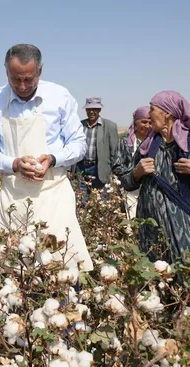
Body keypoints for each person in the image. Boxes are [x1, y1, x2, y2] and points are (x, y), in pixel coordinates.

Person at [0, 43, 93, 271]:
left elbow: (78, 144)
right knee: (17, 269)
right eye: (15, 79)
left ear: (40, 71)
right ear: (6, 72)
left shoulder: (59, 96)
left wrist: (52, 158)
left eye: (28, 79)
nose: (22, 86)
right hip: (13, 197)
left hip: (54, 193)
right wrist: (14, 164)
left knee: (61, 265)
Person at [120, 91, 190, 264]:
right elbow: (127, 182)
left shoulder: (187, 143)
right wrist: (137, 172)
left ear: (167, 113)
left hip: (182, 226)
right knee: (153, 275)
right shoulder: (148, 146)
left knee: (183, 272)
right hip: (150, 226)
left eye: (152, 110)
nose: (149, 115)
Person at [71, 97, 118, 190]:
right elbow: (72, 146)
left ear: (99, 110)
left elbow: (115, 152)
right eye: (89, 109)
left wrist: (114, 172)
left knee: (100, 200)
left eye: (94, 109)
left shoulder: (109, 126)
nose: (91, 112)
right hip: (81, 168)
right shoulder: (79, 125)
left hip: (99, 169)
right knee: (81, 199)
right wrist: (69, 168)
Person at [113, 107, 151, 219]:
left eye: (150, 122)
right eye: (144, 122)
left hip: (150, 190)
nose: (147, 126)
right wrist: (134, 173)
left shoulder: (156, 142)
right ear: (136, 122)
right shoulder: (125, 143)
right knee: (132, 220)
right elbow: (116, 166)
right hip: (131, 190)